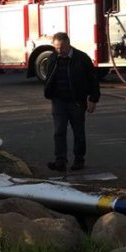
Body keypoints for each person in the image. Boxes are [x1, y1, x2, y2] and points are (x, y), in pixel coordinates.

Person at [42, 32, 100, 172]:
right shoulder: (53, 58)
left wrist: (93, 99)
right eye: (56, 47)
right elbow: (49, 77)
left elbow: (93, 80)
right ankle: (60, 160)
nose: (59, 50)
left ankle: (79, 159)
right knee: (59, 131)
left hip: (76, 101)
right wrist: (49, 92)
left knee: (78, 132)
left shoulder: (81, 58)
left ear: (68, 44)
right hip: (59, 101)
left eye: (61, 47)